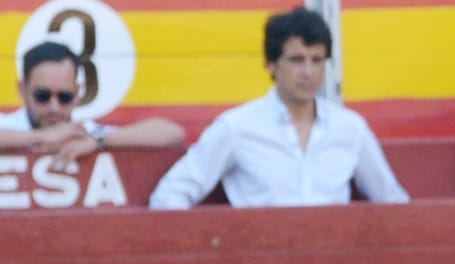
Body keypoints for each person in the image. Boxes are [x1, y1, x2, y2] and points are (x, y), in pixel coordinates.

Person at [149, 8, 407, 209]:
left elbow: (393, 201)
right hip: (260, 258)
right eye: (296, 60)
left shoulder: (349, 128)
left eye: (317, 60)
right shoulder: (237, 127)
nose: (308, 72)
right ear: (271, 64)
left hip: (335, 258)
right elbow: (169, 196)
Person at [1, 41, 183, 167]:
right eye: (42, 96)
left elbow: (172, 133)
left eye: (64, 97)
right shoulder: (7, 125)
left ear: (77, 93)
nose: (54, 107)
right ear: (22, 90)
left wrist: (99, 141)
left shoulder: (85, 134)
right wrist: (41, 137)